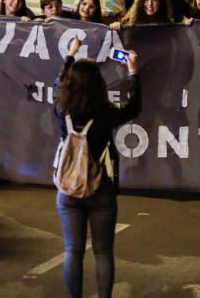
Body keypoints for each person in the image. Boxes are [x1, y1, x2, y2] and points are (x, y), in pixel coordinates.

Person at [54, 36, 141, 298]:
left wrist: (71, 54)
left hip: (68, 189)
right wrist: (133, 71)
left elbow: (59, 82)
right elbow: (135, 106)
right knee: (103, 251)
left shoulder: (61, 110)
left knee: (73, 250)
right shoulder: (105, 114)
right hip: (100, 188)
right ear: (98, 86)